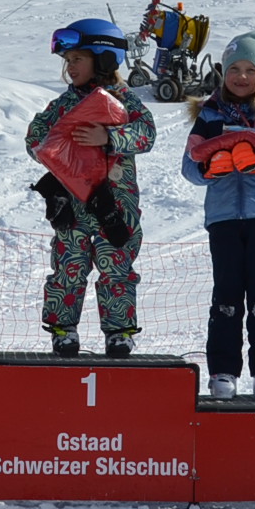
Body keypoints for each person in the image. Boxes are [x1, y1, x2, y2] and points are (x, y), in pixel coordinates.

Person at [25, 18, 158, 356]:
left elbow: (147, 133)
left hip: (115, 205)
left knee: (116, 266)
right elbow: (35, 135)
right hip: (72, 206)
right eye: (67, 61)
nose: (70, 68)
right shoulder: (64, 105)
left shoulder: (124, 100)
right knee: (68, 266)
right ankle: (63, 328)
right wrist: (51, 148)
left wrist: (109, 136)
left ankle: (119, 331)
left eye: (77, 59)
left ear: (103, 59)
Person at [183, 31, 255, 400]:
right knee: (227, 293)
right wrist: (211, 169)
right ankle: (223, 371)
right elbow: (190, 167)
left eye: (251, 70)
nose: (242, 77)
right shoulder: (210, 114)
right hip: (223, 218)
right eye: (234, 69)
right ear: (224, 73)